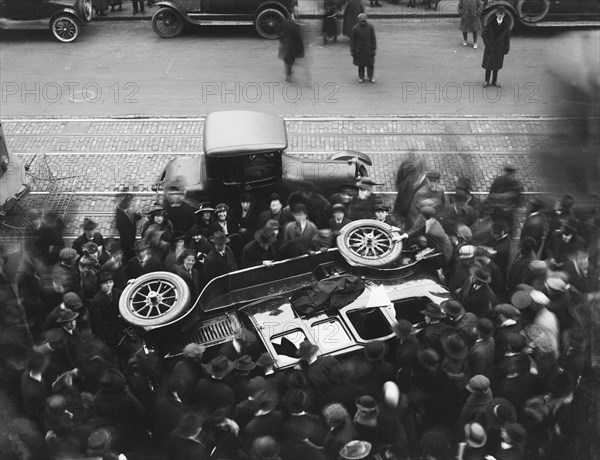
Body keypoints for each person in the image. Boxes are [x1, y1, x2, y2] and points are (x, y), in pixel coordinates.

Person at [481, 5, 511, 87]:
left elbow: (507, 37)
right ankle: (486, 81)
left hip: (499, 48)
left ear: (504, 15)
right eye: (499, 14)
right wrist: (487, 44)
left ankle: (494, 81)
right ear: (496, 14)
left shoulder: (506, 24)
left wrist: (506, 47)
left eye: (502, 14)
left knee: (496, 65)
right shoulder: (491, 22)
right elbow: (484, 34)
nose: (500, 16)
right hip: (490, 47)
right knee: (488, 65)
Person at [350, 13, 377, 83]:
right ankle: (361, 77)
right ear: (359, 21)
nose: (363, 22)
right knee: (361, 65)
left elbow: (373, 38)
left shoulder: (370, 27)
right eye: (361, 21)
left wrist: (373, 49)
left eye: (364, 20)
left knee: (370, 64)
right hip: (359, 50)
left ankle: (371, 76)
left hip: (369, 49)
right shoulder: (355, 28)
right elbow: (352, 40)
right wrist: (352, 50)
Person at [115, 193, 141, 261]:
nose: (130, 203)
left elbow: (130, 217)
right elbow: (125, 229)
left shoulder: (125, 211)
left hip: (131, 241)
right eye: (129, 201)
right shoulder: (120, 217)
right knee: (129, 259)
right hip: (127, 244)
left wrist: (138, 215)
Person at [279, 16, 305, 83]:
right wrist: (301, 47)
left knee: (286, 59)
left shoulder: (284, 26)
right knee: (291, 60)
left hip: (286, 45)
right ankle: (289, 73)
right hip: (293, 47)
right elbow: (298, 38)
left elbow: (281, 35)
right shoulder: (297, 27)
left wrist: (282, 42)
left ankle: (287, 73)